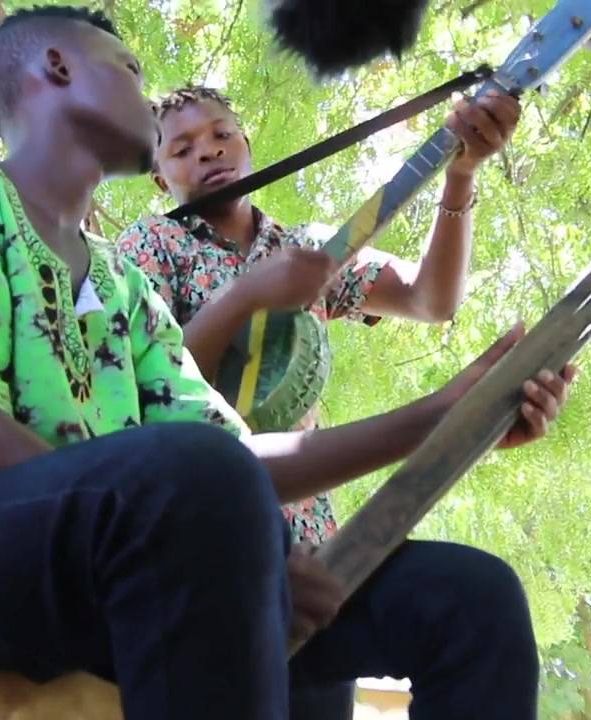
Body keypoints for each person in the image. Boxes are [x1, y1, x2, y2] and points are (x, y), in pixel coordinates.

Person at [0, 7, 575, 720]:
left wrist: (444, 414)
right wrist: (202, 531)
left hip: (136, 562)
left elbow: (232, 461)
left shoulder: (124, 288)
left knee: (470, 599)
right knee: (196, 479)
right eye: (130, 70)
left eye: (219, 133)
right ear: (58, 66)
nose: (153, 101)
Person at [116, 84, 521, 717]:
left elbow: (429, 299)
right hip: (204, 565)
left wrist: (460, 174)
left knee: (476, 598)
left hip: (315, 561)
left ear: (247, 141)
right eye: (182, 148)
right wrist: (245, 296)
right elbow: (151, 390)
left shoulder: (307, 251)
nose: (208, 152)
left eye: (221, 134)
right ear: (159, 177)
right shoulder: (148, 247)